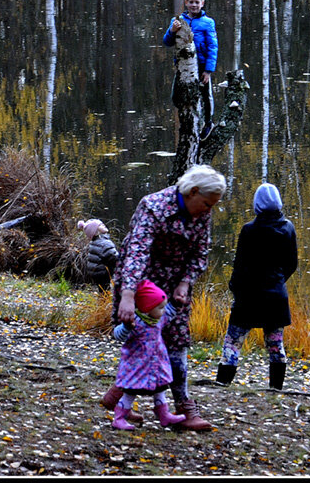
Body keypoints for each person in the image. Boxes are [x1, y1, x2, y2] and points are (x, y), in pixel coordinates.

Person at [99, 164, 227, 431]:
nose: (209, 210)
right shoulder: (154, 207)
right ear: (193, 192)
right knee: (138, 341)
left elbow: (201, 252)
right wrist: (128, 294)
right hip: (142, 283)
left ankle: (183, 407)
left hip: (175, 284)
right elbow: (137, 251)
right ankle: (122, 401)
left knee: (176, 341)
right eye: (207, 203)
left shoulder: (202, 213)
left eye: (213, 206)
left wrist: (185, 282)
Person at [215, 182, 298, 391]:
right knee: (275, 344)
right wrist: (277, 281)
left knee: (233, 342)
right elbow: (291, 264)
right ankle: (275, 389)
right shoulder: (288, 228)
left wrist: (235, 288)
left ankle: (222, 384)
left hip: (248, 297)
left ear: (257, 204)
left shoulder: (249, 230)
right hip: (276, 297)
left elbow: (240, 265)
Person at [108, 279, 187, 430]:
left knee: (160, 389)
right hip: (136, 366)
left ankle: (164, 415)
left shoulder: (158, 319)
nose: (163, 311)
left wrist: (176, 303)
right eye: (160, 308)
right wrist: (126, 327)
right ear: (147, 308)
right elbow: (118, 335)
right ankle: (119, 418)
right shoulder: (135, 322)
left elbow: (169, 312)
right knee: (130, 391)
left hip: (157, 365)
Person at [163, 0, 218, 140]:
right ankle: (188, 118)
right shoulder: (177, 21)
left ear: (202, 4)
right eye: (191, 2)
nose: (194, 5)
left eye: (197, 2)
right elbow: (167, 42)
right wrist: (172, 31)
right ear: (186, 2)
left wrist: (208, 70)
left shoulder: (208, 22)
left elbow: (213, 47)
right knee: (177, 95)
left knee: (206, 95)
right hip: (183, 65)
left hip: (201, 65)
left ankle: (208, 123)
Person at [78, 218, 119, 288]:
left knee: (103, 291)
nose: (104, 225)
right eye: (100, 225)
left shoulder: (95, 242)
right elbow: (115, 258)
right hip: (105, 276)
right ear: (96, 231)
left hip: (98, 276)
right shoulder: (104, 243)